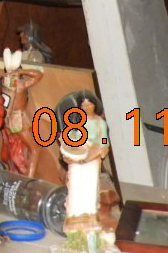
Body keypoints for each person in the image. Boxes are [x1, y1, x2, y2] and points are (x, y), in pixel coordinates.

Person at [61, 94, 110, 240]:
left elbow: (104, 144)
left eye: (89, 105)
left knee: (89, 189)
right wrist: (67, 153)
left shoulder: (100, 123)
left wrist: (91, 155)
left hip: (92, 157)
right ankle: (74, 223)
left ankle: (89, 223)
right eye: (84, 105)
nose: (87, 108)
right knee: (75, 188)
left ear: (95, 105)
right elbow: (70, 139)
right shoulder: (77, 121)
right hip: (77, 157)